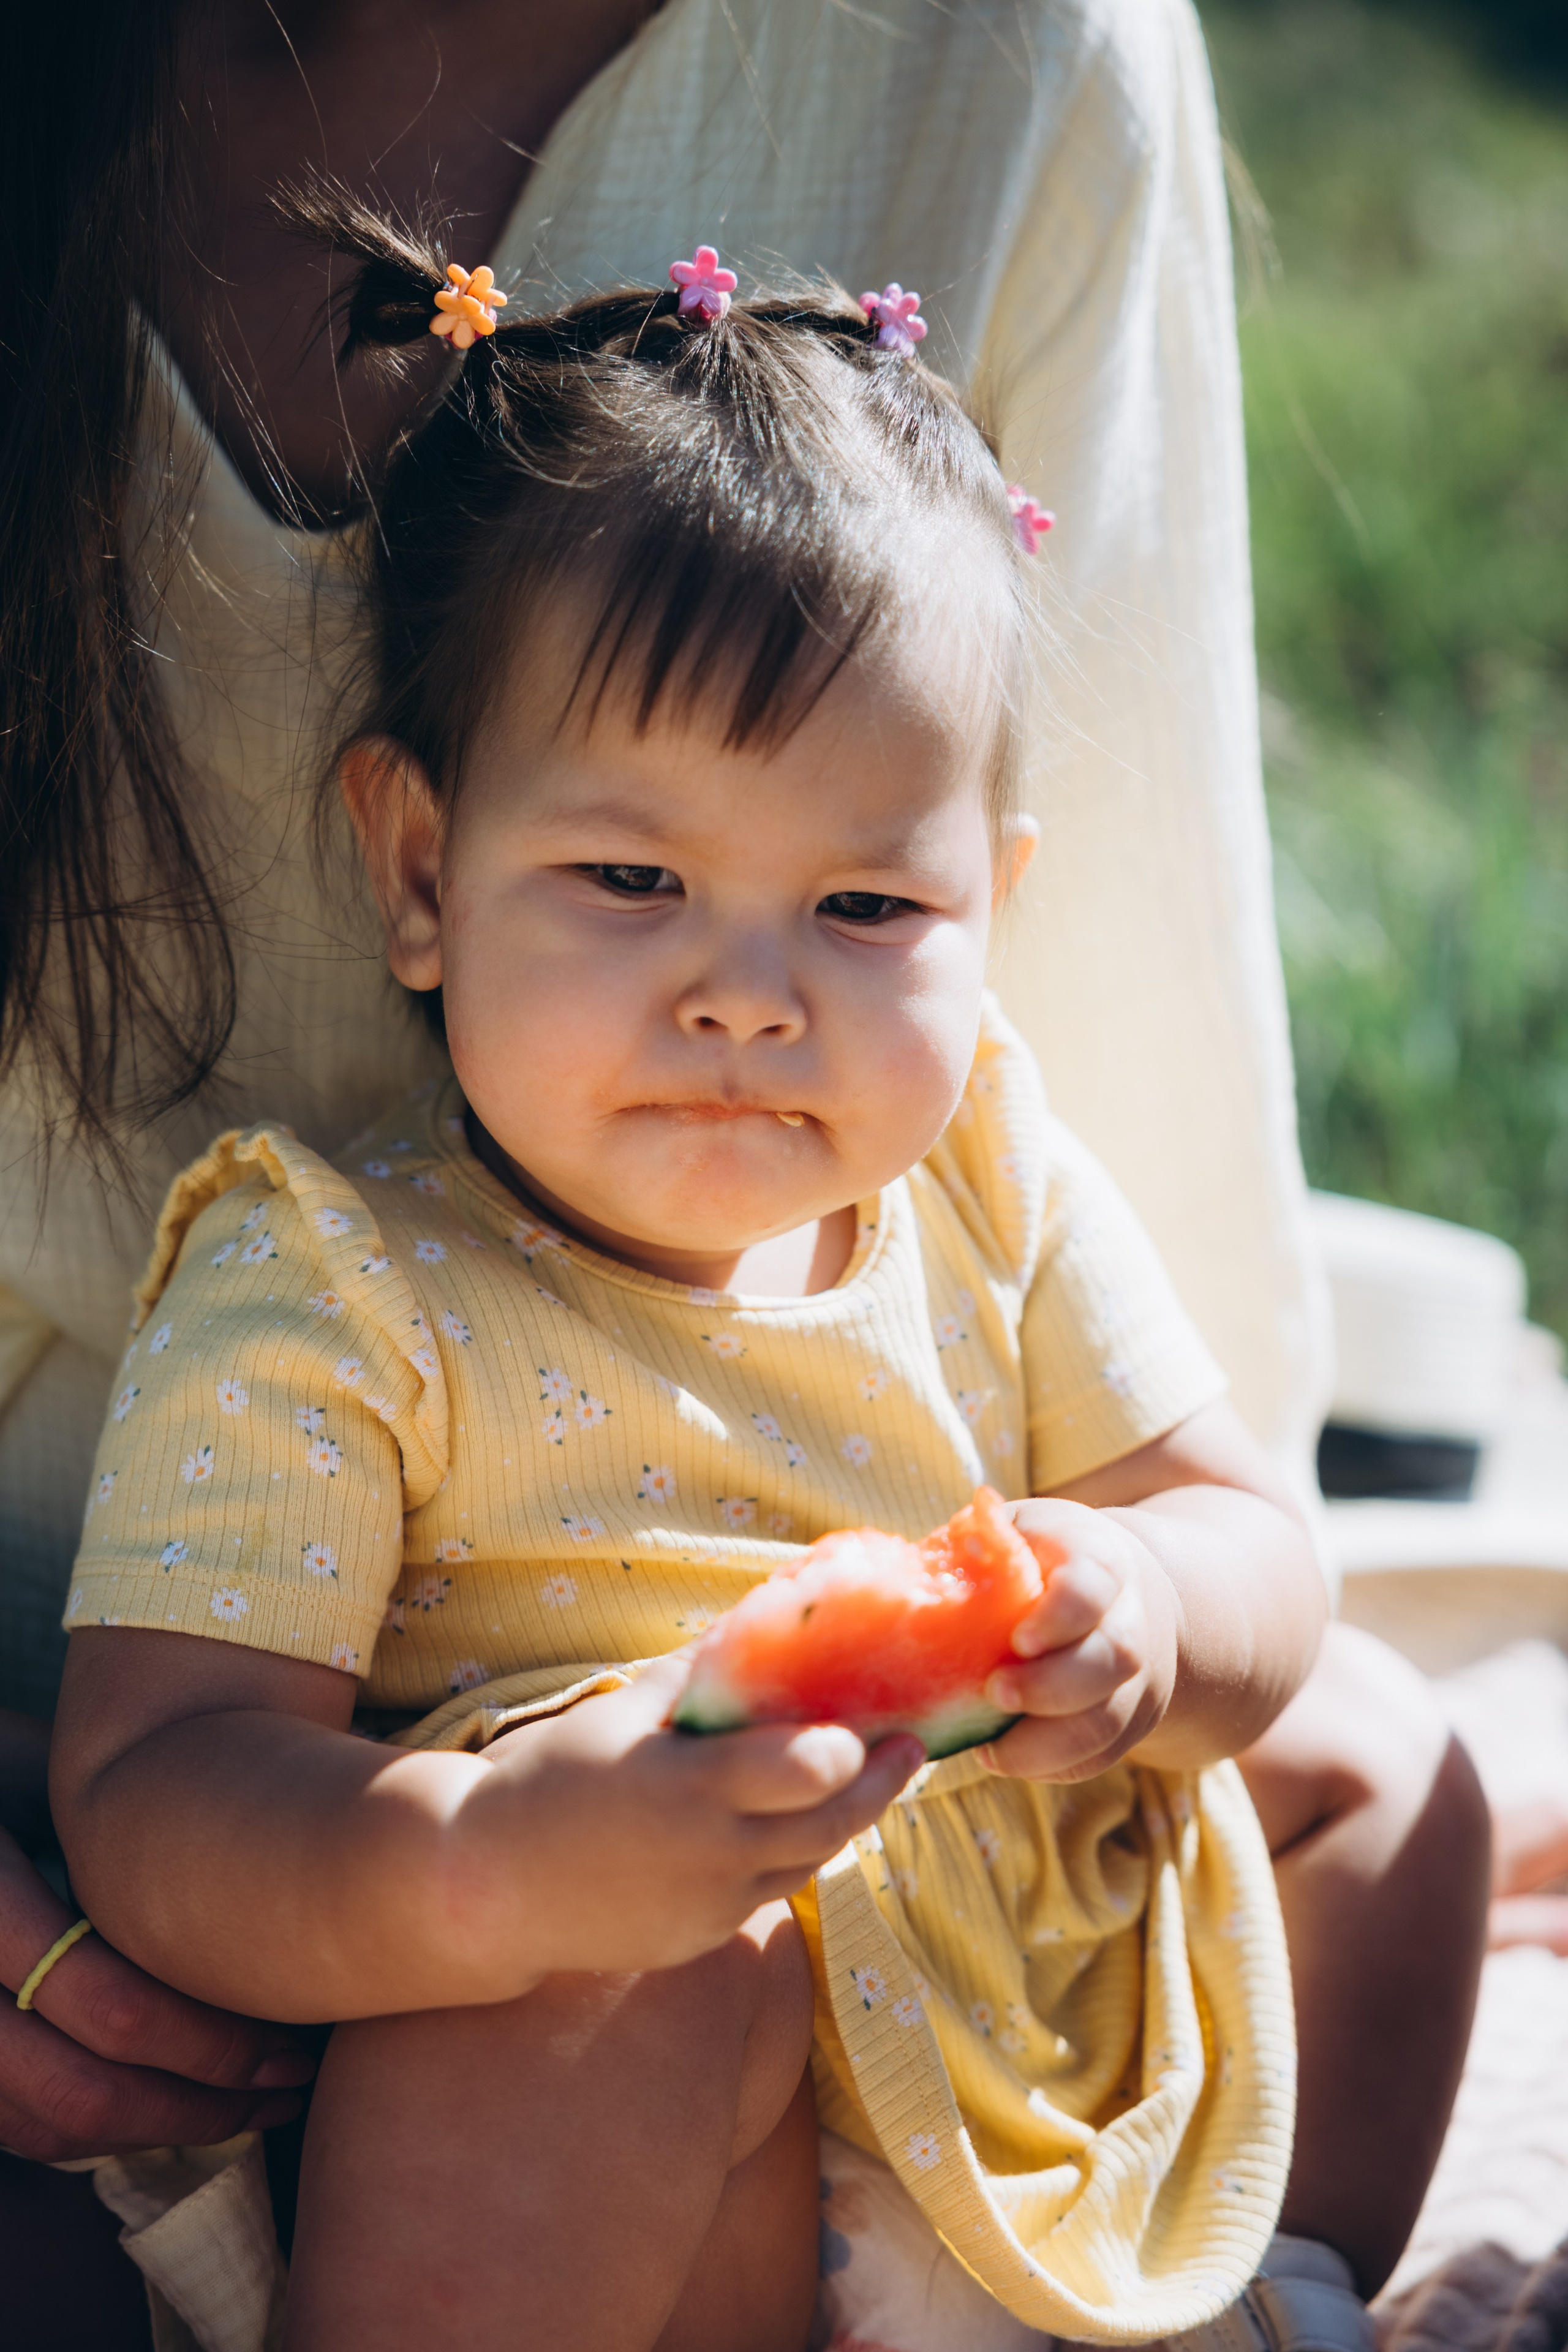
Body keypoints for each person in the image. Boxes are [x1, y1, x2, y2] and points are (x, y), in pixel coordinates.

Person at [0, 0, 1487, 2335]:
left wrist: (1152, 1610)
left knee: (1391, 1763)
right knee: (622, 2008)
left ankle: (1274, 2283)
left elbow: (1242, 1537)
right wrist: (502, 1870)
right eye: (628, 884)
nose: (749, 993)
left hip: (991, 1985)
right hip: (594, 2085)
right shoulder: (333, 1289)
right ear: (416, 866)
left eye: (867, 910)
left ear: (989, 897)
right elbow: (168, 1784)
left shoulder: (983, 1172)